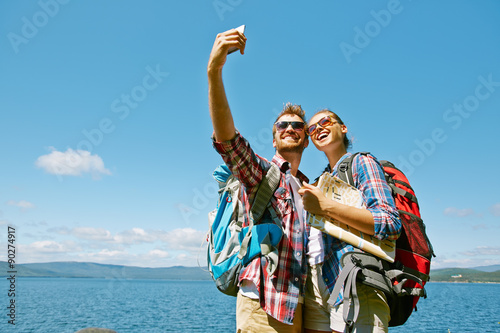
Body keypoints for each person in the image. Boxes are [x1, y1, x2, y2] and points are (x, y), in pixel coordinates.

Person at [208, 28, 310, 332]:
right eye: (283, 125)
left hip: (300, 306)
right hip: (262, 303)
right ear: (274, 137)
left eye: (297, 126)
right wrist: (214, 72)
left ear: (306, 140)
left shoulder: (309, 188)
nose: (290, 127)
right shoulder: (263, 173)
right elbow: (229, 142)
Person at [298, 109, 401, 333]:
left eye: (325, 122)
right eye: (312, 129)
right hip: (320, 284)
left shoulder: (362, 163)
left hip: (356, 279)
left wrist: (326, 207)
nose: (318, 129)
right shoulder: (320, 181)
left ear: (343, 128)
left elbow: (389, 223)